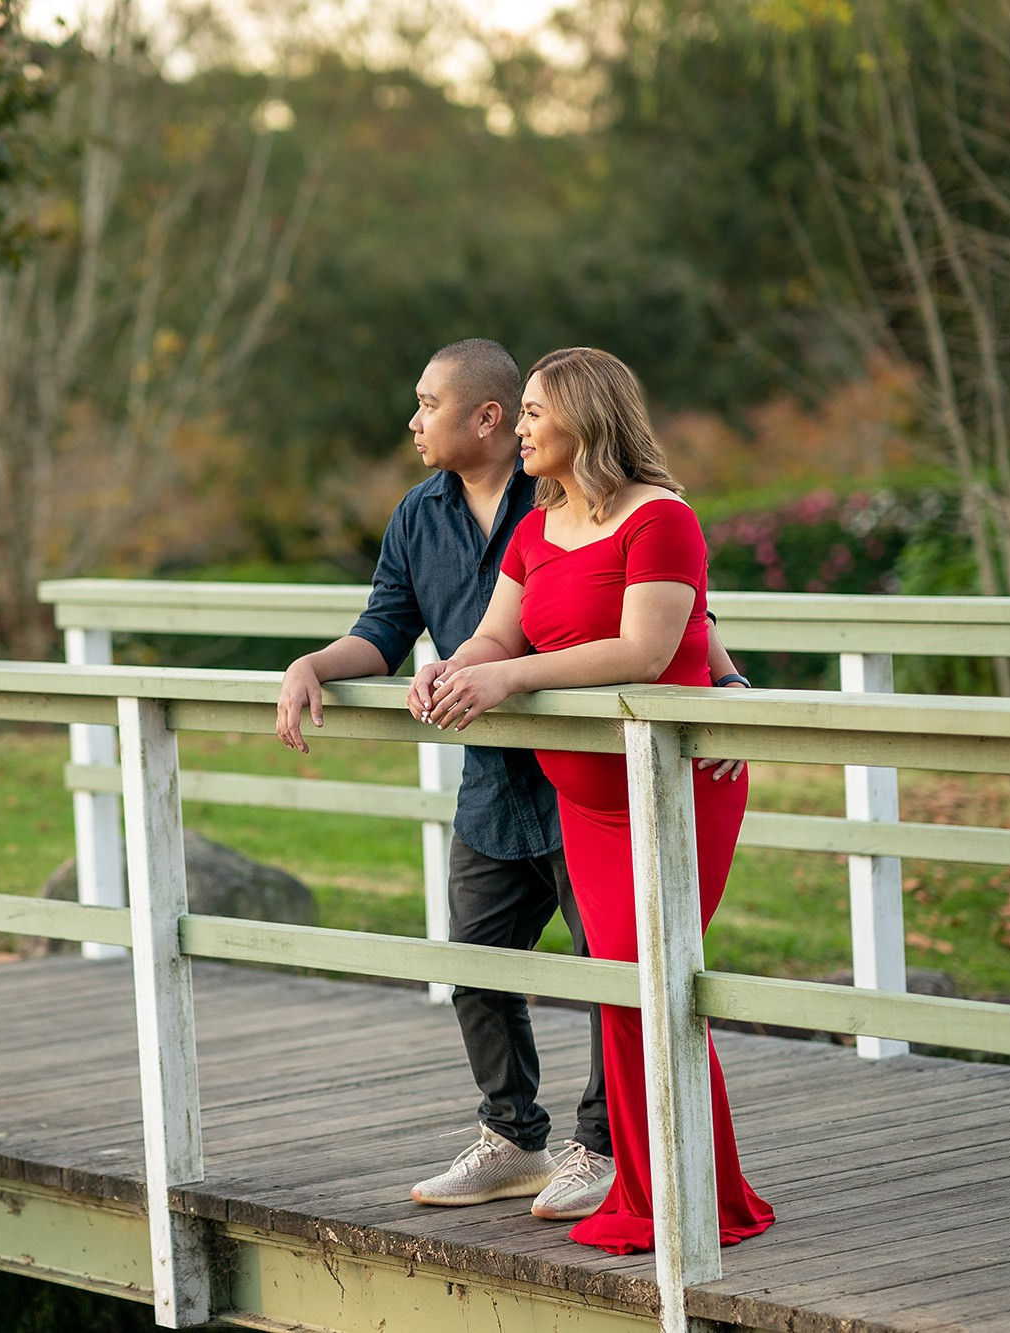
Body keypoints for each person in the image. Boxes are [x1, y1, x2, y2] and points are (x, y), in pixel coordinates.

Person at [276, 338, 749, 1223]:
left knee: (624, 976)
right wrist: (353, 663)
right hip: (515, 779)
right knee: (484, 965)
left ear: (499, 416)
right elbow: (412, 631)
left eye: (428, 402)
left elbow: (669, 628)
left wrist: (728, 688)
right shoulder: (453, 518)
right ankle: (519, 1139)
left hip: (623, 777)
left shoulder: (624, 507)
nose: (412, 420)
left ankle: (619, 1159)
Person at [406, 346, 774, 1255]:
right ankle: (661, 1192)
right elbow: (496, 634)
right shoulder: (538, 526)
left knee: (656, 982)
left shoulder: (663, 521)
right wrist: (454, 670)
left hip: (673, 787)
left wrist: (509, 681)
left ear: (584, 417)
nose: (519, 428)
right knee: (621, 991)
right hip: (587, 802)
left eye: (533, 412)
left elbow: (645, 653)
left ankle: (697, 1196)